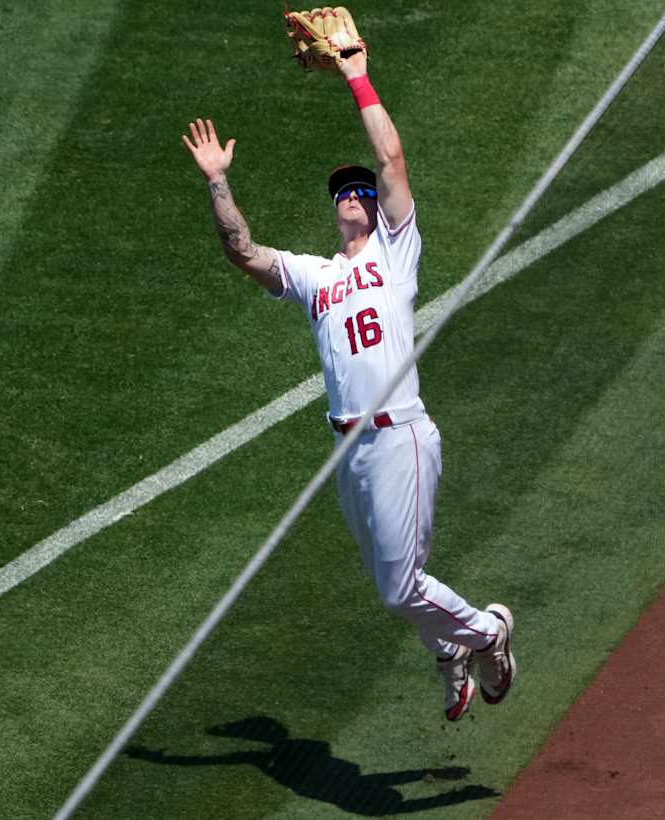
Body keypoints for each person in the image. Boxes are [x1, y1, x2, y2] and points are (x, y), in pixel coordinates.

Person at [181, 46, 516, 722]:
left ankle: (485, 633)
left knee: (400, 590)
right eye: (344, 193)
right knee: (395, 579)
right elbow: (242, 250)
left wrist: (357, 76)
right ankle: (449, 650)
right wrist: (218, 181)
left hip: (400, 437)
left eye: (362, 191)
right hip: (348, 455)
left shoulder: (398, 253)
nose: (357, 196)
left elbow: (392, 160)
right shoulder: (317, 277)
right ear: (334, 211)